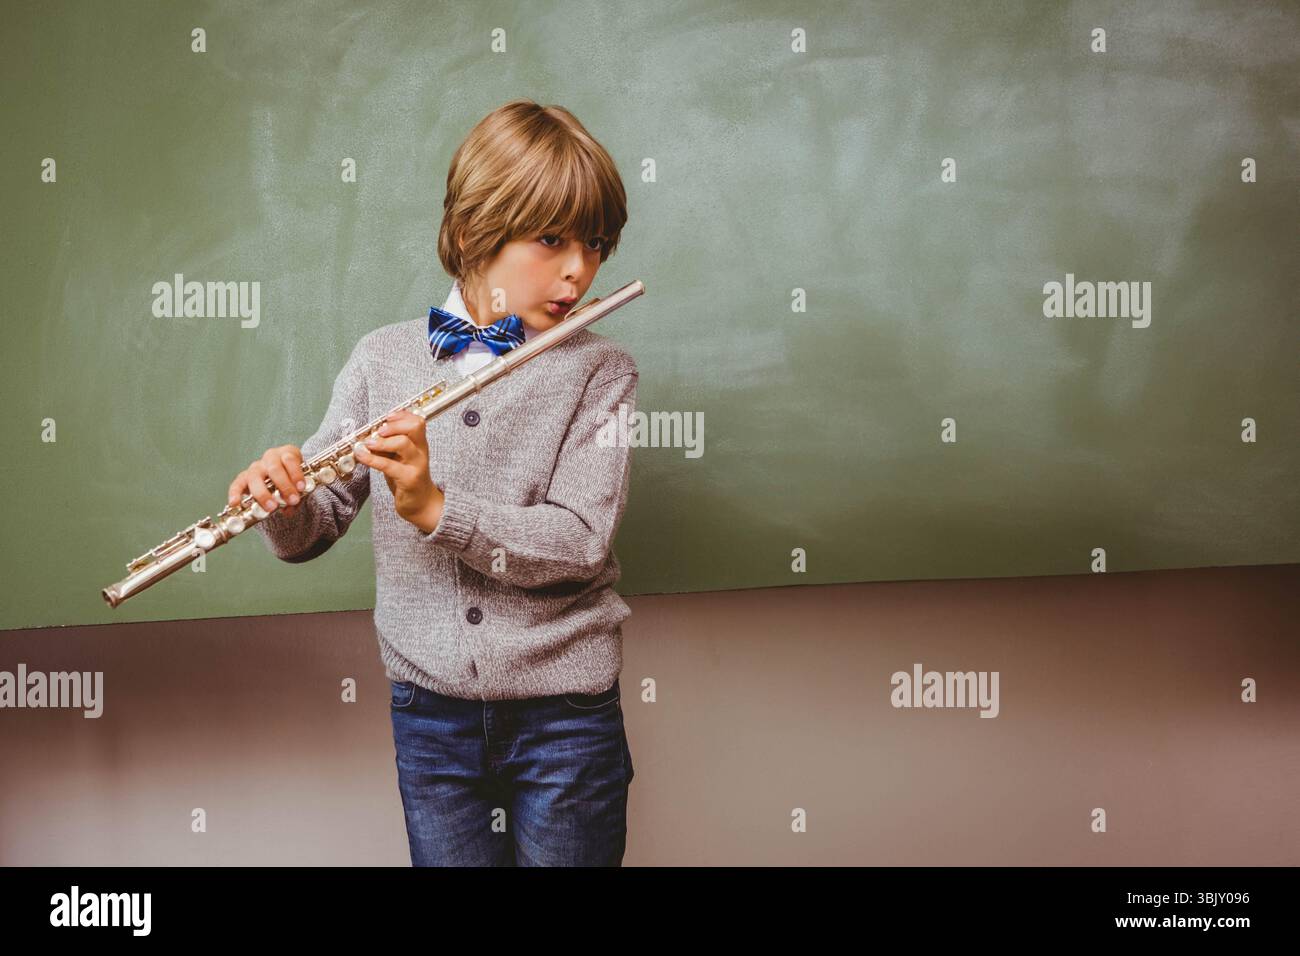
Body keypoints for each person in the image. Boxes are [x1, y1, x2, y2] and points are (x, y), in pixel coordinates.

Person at [226, 99, 637, 866]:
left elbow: (581, 542)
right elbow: (315, 524)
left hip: (565, 717)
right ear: (477, 230)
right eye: (552, 240)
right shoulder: (381, 359)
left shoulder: (600, 372)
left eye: (595, 244)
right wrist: (281, 501)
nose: (579, 270)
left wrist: (436, 508)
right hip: (430, 718)